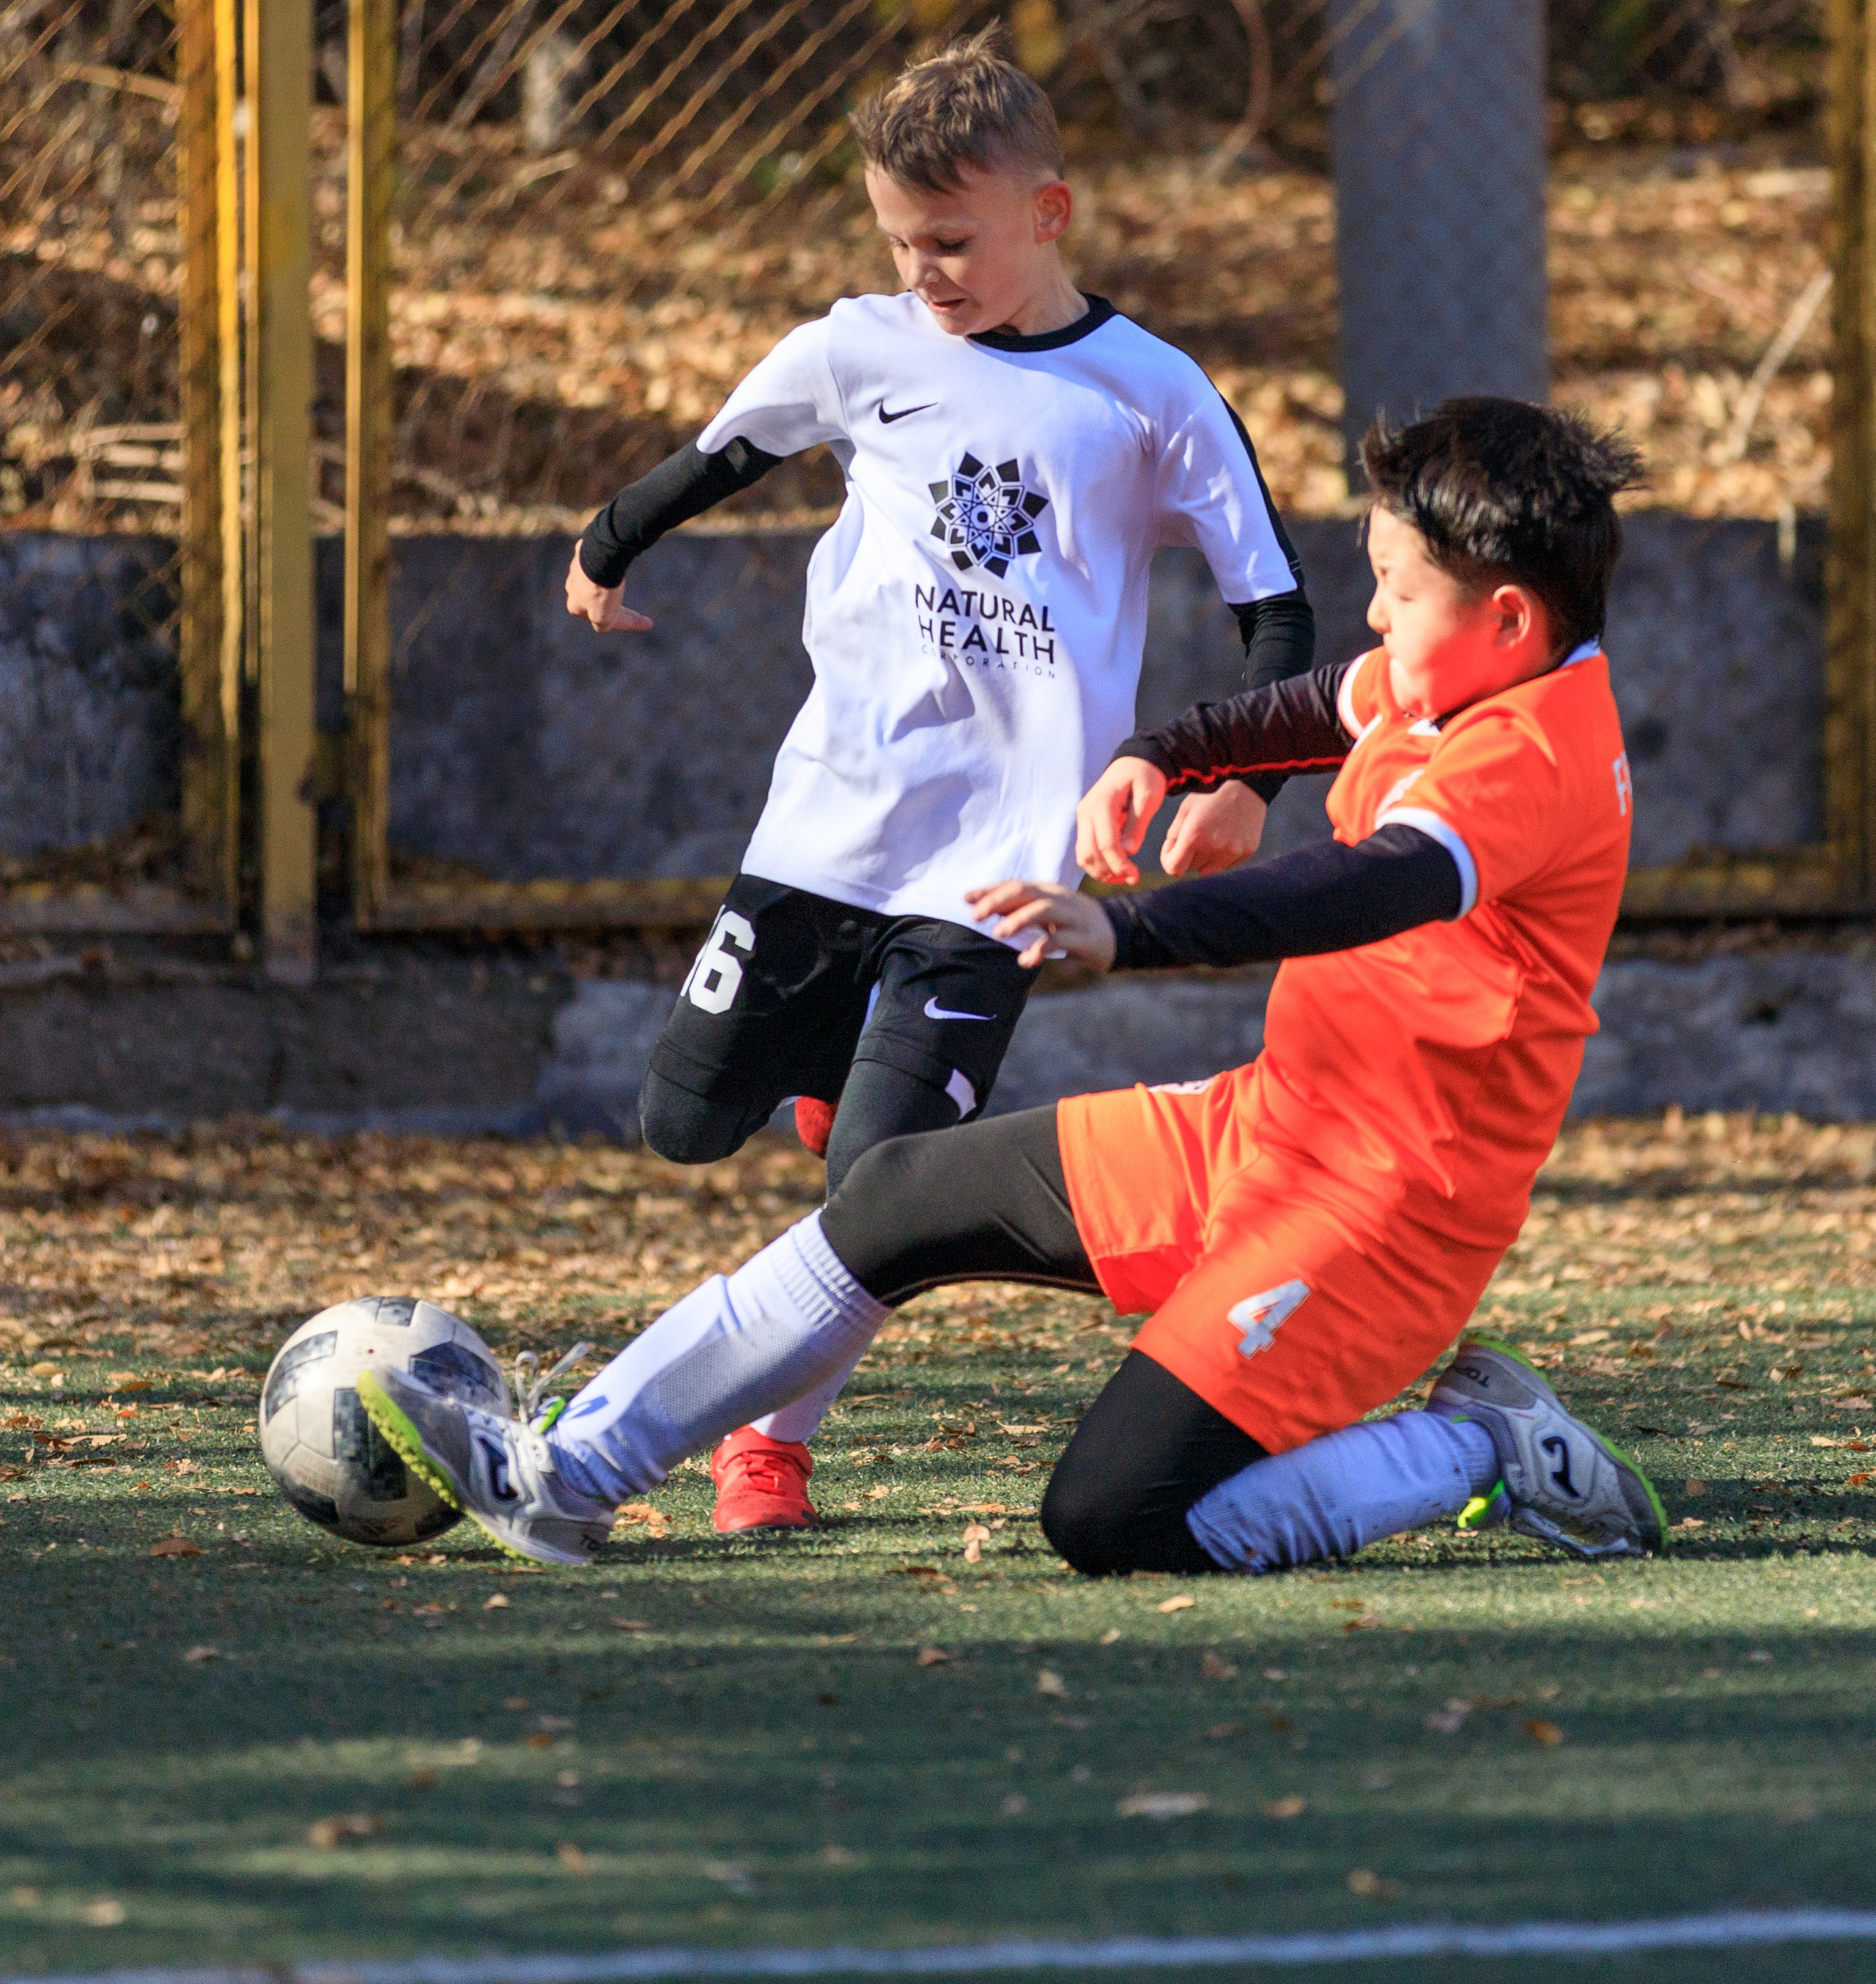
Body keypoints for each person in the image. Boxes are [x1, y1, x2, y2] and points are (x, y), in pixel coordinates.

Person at [361, 396, 1666, 1577]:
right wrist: (1163, 755)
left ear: (1506, 619)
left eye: (1397, 590)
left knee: (1116, 1522)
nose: (1375, 615)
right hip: (1262, 1132)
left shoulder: (1532, 753)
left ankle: (1485, 1448)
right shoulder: (1472, 669)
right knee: (894, 1199)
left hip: (1384, 1223)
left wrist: (1131, 933)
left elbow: (1364, 887)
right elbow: (1326, 702)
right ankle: (566, 1475)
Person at [559, 29, 1312, 1532]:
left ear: (1050, 212)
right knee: (680, 1123)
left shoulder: (1151, 392)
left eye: (953, 241)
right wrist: (604, 544)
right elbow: (723, 451)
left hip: (1004, 866)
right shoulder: (862, 343)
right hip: (829, 826)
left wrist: (1248, 788)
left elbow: (1274, 609)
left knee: (877, 1199)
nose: (926, 273)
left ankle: (765, 1448)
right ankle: (826, 1100)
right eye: (900, 243)